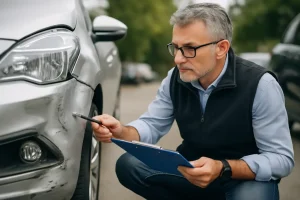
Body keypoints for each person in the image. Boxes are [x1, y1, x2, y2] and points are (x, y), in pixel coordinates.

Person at [91, 3, 294, 200]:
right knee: (129, 164)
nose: (178, 59)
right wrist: (120, 131)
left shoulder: (260, 84)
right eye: (176, 48)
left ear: (221, 48)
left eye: (189, 48)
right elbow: (152, 124)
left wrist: (222, 167)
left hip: (242, 177)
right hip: (191, 170)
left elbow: (281, 159)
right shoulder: (175, 78)